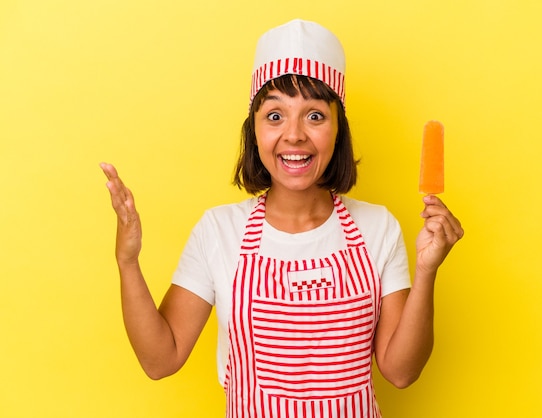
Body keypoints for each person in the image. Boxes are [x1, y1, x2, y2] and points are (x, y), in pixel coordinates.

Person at [100, 19, 463, 417]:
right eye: (275, 116)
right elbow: (160, 360)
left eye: (315, 116)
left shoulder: (378, 228)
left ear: (338, 131)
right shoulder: (219, 230)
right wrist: (128, 261)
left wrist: (428, 270)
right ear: (253, 132)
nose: (294, 135)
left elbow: (401, 372)